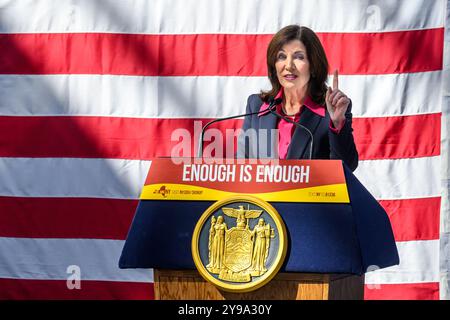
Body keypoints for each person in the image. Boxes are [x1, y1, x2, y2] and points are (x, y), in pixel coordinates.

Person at [237, 25, 358, 171]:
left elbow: (347, 168)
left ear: (313, 66)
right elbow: (241, 167)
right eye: (282, 56)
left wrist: (338, 122)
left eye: (299, 57)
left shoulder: (332, 110)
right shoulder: (256, 105)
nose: (288, 65)